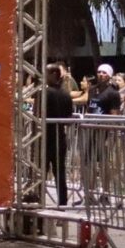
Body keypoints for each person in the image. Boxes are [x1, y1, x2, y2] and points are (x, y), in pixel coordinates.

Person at [45, 64, 73, 207]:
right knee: (60, 172)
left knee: (41, 172)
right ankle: (62, 202)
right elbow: (69, 116)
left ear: (53, 75)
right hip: (59, 137)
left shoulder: (45, 93)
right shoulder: (66, 94)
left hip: (45, 138)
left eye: (46, 72)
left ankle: (37, 199)